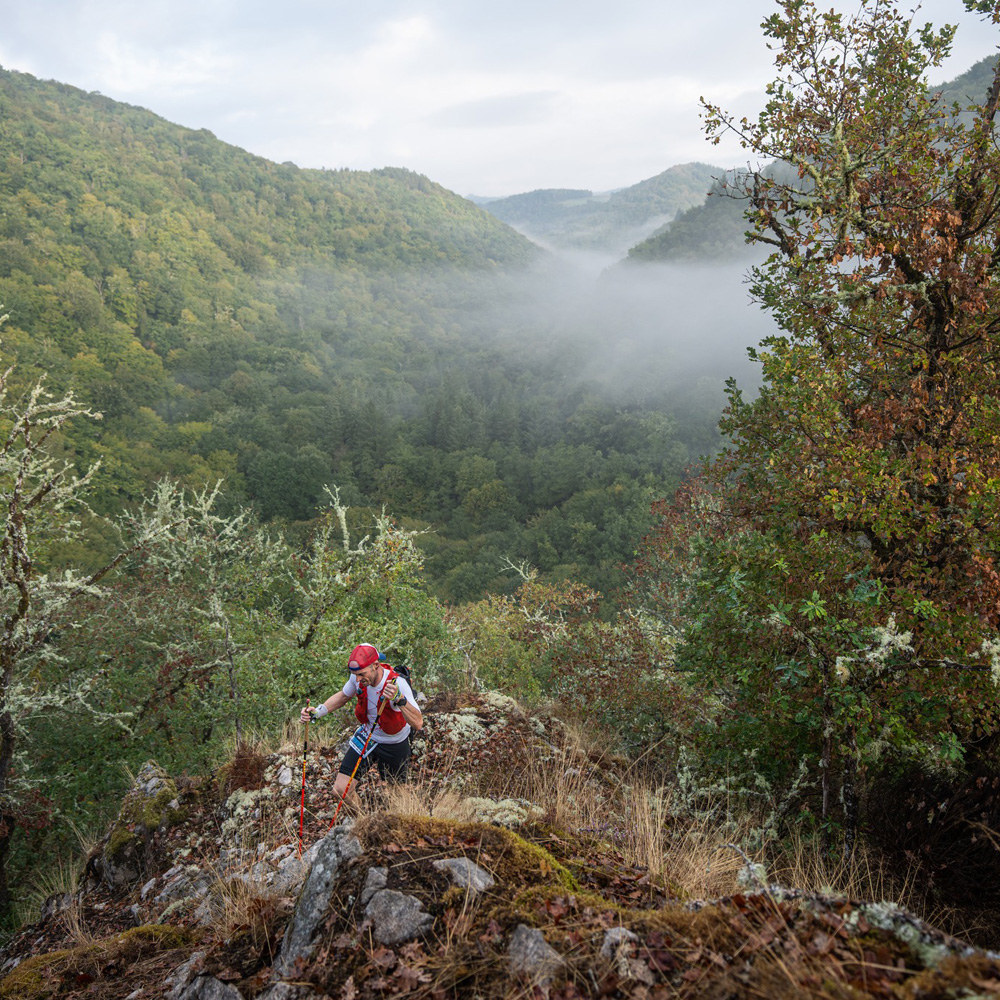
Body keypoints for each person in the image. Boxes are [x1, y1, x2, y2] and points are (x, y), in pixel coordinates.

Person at [300, 643, 422, 812]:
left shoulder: (398, 683)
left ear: (376, 666)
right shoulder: (358, 677)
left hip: (395, 742)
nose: (358, 680)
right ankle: (363, 819)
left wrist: (400, 699)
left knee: (398, 796)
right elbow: (343, 697)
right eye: (355, 675)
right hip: (367, 737)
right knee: (341, 790)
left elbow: (418, 723)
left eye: (361, 674)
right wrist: (317, 713)